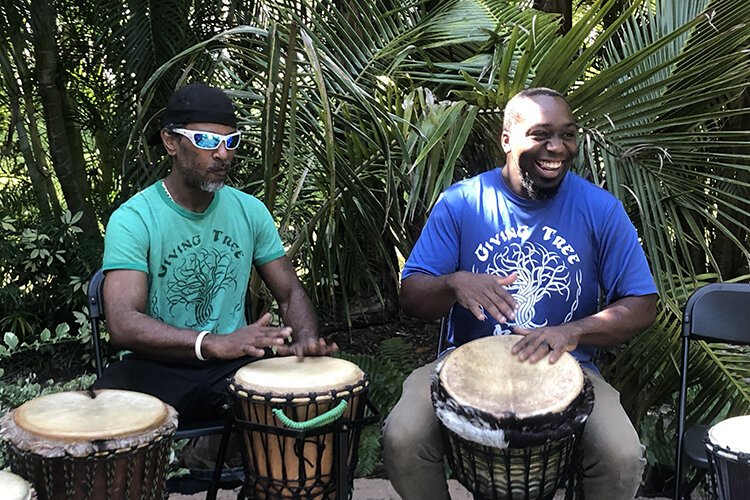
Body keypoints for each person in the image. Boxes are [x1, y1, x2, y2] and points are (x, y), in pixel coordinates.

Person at [383, 87, 658, 500]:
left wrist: (573, 331)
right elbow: (412, 295)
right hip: (463, 365)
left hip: (569, 369)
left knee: (620, 454)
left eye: (567, 135)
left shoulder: (601, 209)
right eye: (541, 134)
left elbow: (642, 305)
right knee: (403, 434)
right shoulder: (461, 203)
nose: (557, 147)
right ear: (507, 140)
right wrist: (454, 282)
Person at [93, 82, 336, 424]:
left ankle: (254, 475)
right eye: (207, 141)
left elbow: (290, 292)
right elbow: (123, 324)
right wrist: (210, 343)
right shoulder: (134, 219)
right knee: (97, 420)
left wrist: (307, 339)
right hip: (156, 366)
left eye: (230, 142)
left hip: (233, 366)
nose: (223, 154)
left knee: (313, 399)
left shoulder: (250, 212)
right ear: (170, 142)